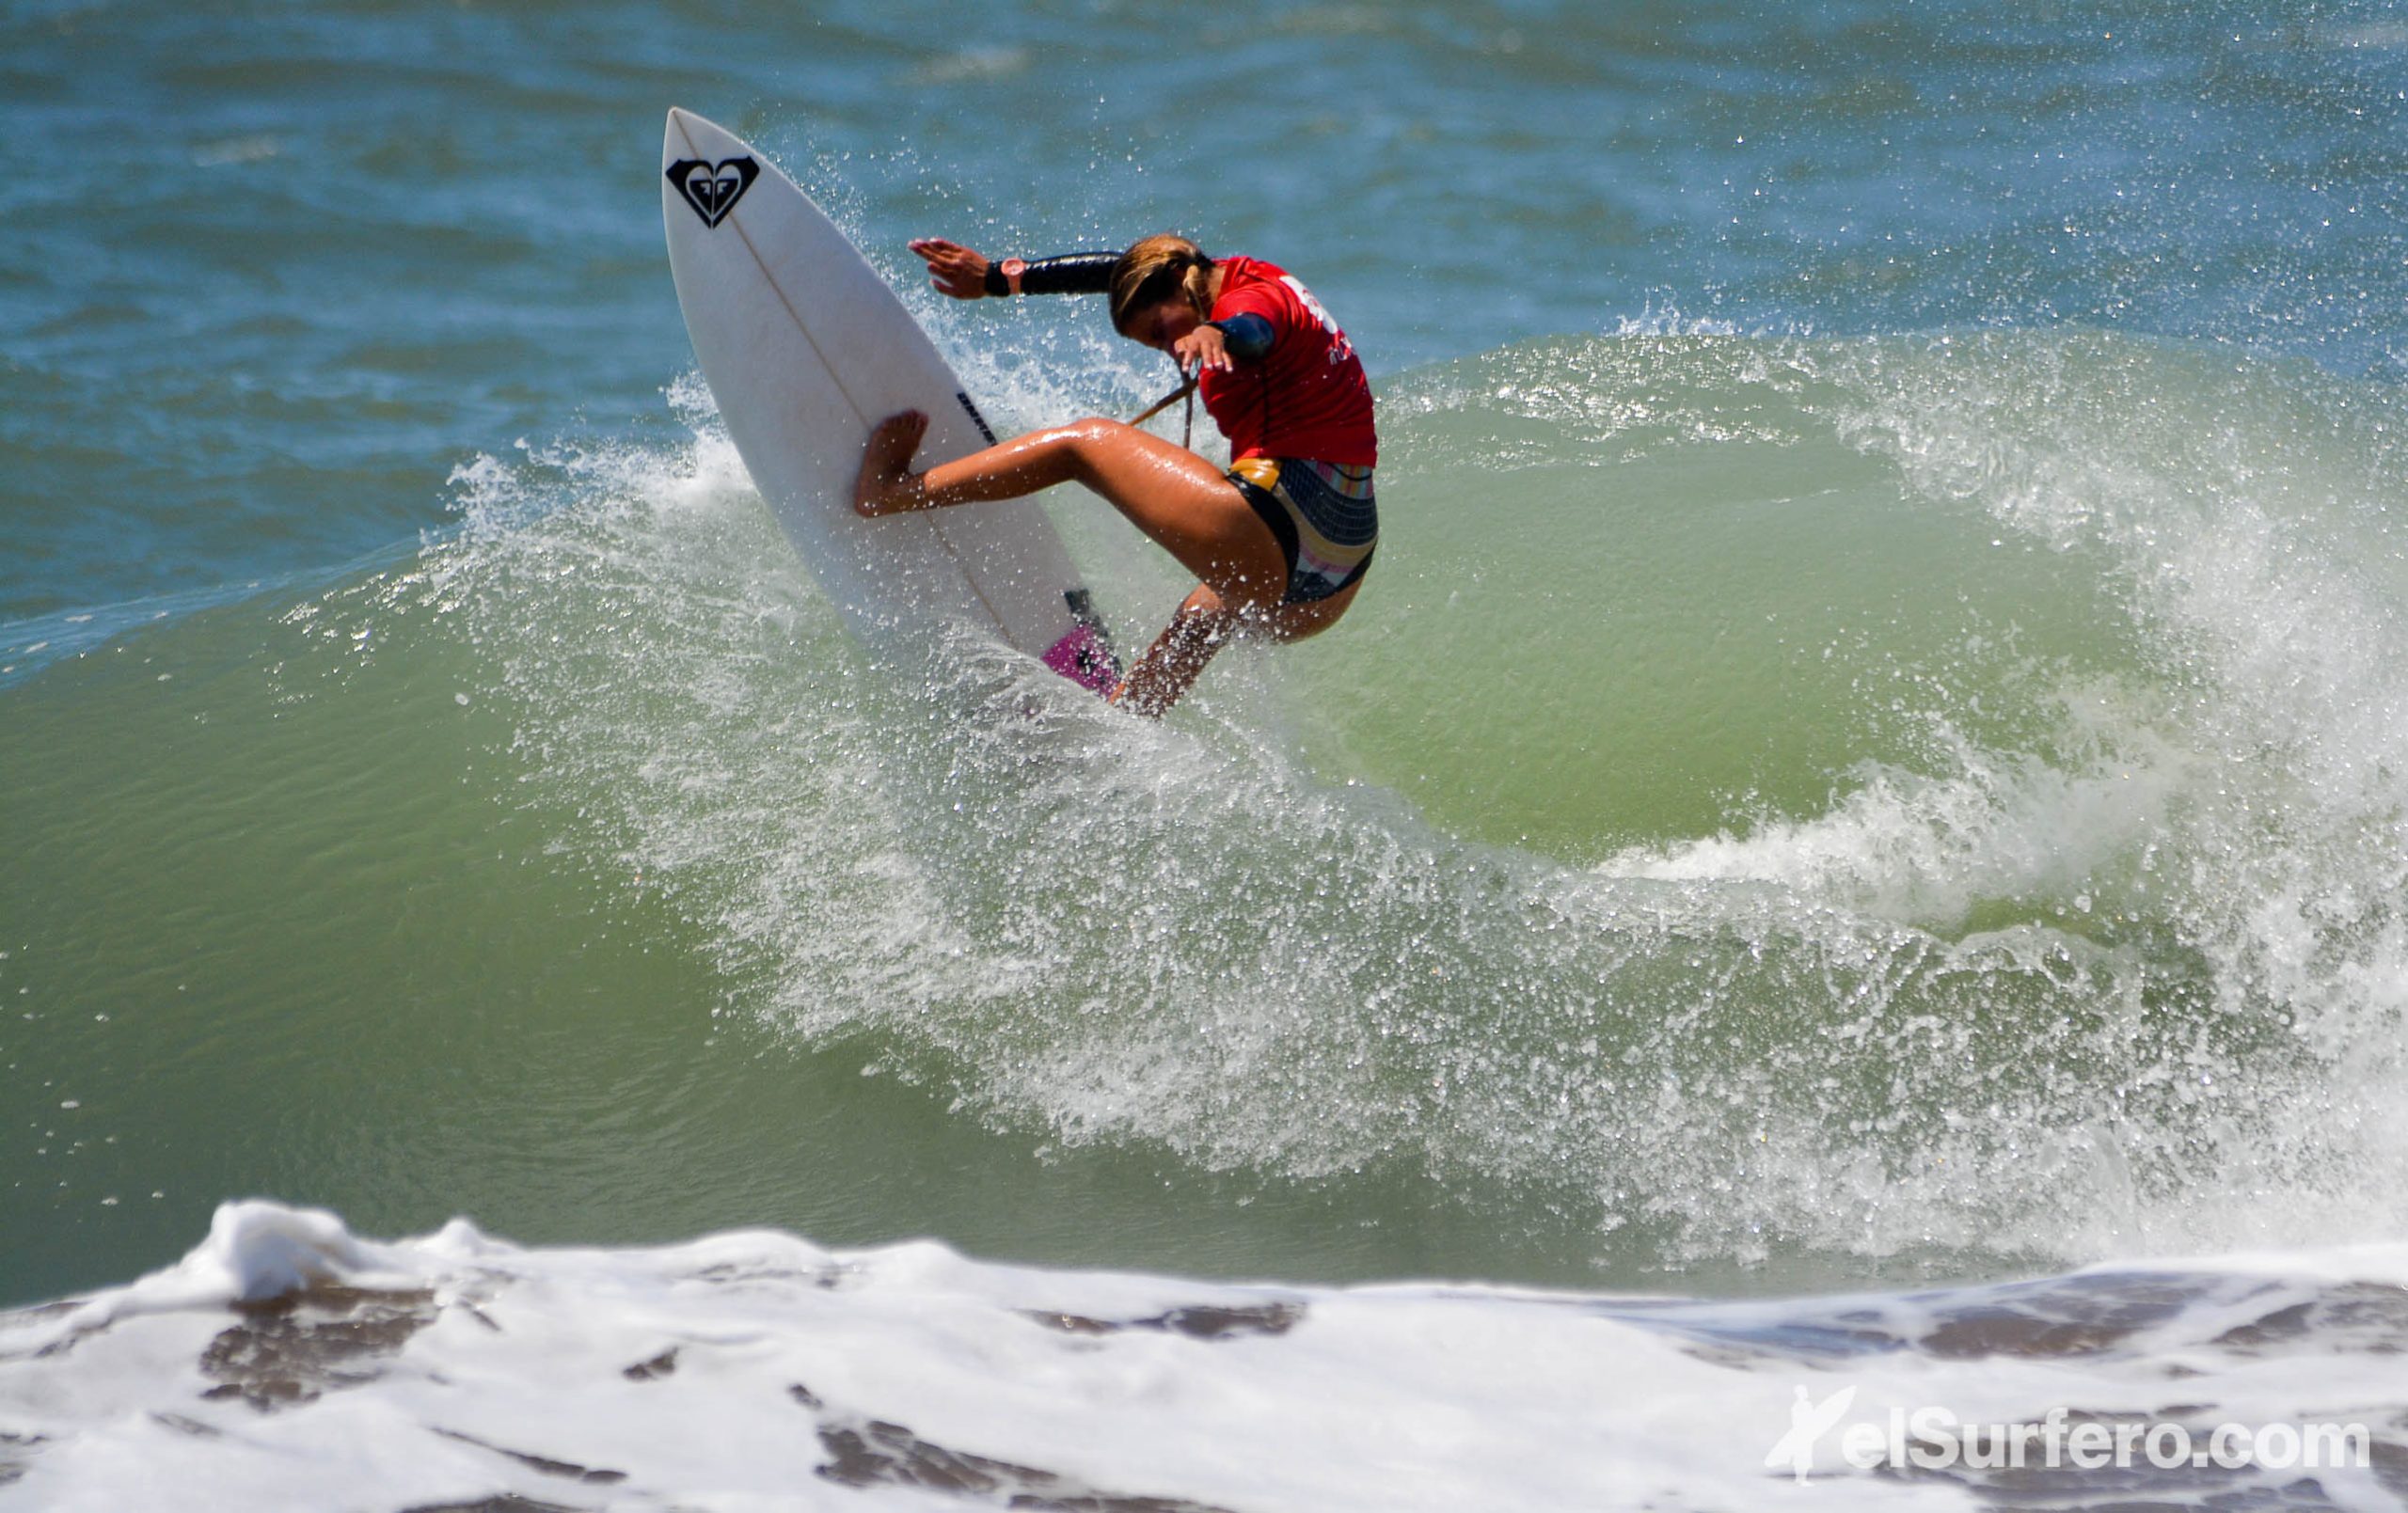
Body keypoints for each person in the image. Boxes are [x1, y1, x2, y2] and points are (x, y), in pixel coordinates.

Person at [853, 234, 1378, 717]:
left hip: (1279, 532)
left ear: (1179, 284)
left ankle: (889, 493)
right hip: (1334, 576)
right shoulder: (1235, 275)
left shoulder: (1245, 305)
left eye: (1160, 333)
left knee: (1081, 445)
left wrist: (1216, 331)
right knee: (1198, 623)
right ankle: (1120, 734)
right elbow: (1123, 271)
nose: (1171, 350)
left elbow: (1255, 331)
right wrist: (999, 279)